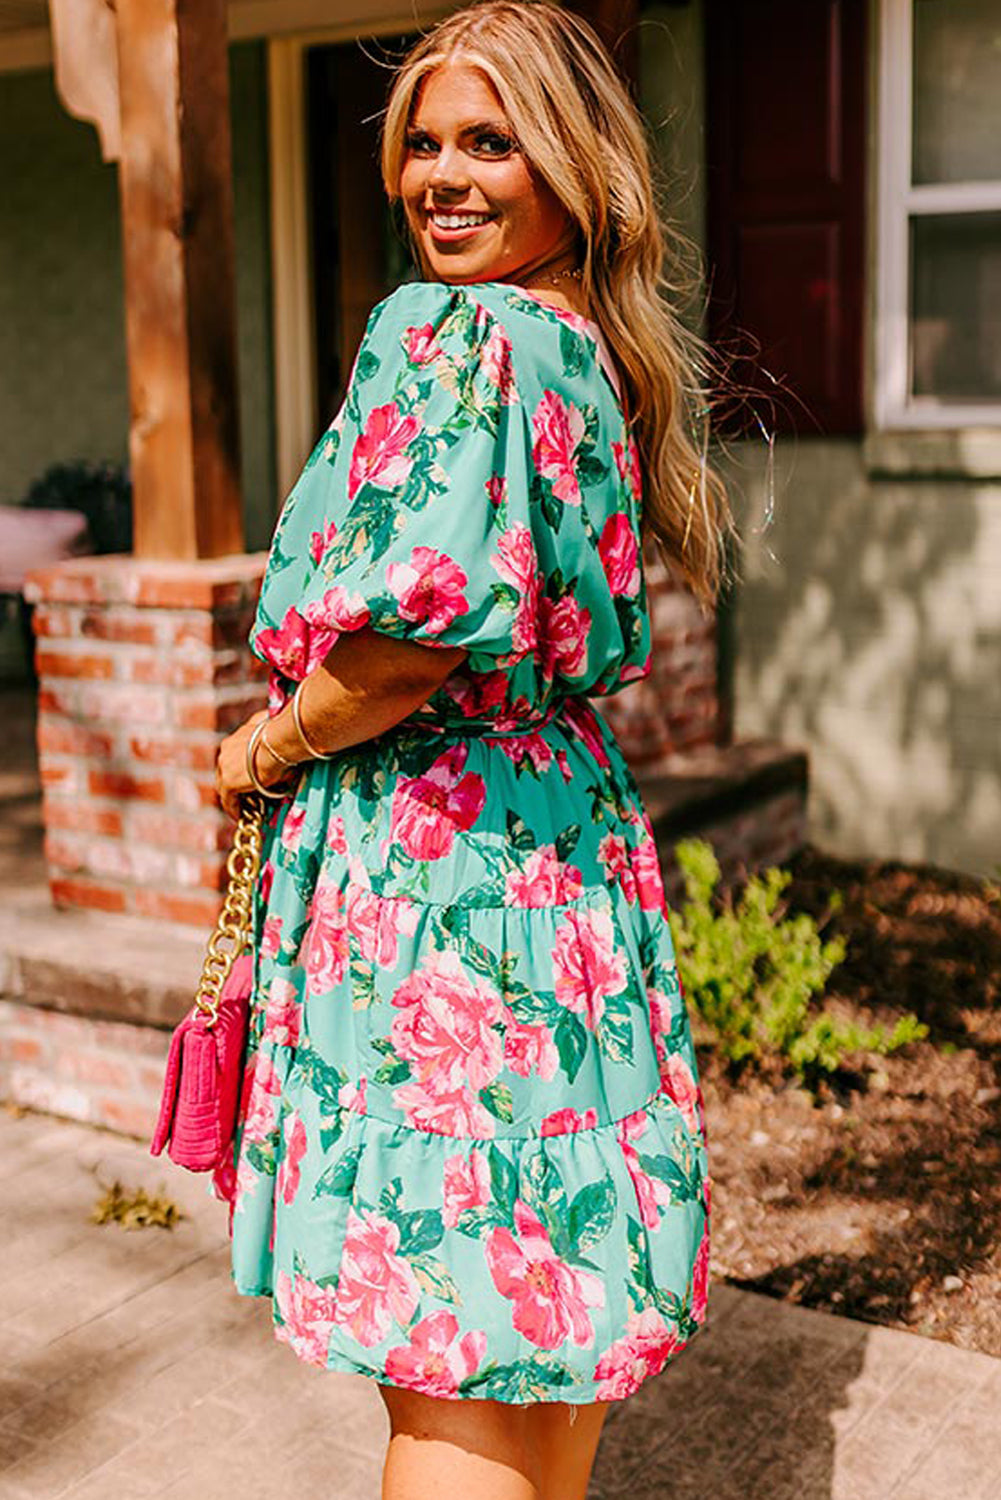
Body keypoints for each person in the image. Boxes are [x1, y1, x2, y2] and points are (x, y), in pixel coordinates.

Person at [214, 3, 738, 1496]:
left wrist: (268, 744)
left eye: (488, 142)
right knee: (534, 1315)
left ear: (570, 166)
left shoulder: (447, 332)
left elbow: (412, 634)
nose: (442, 176)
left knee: (444, 1360)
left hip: (432, 860)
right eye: (424, 143)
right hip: (559, 844)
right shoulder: (587, 346)